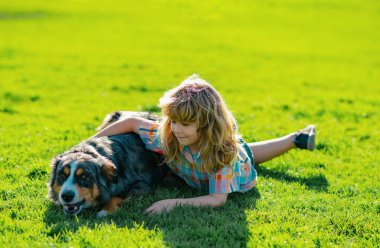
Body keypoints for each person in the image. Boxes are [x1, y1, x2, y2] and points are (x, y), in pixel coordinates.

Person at [93, 75, 316, 214]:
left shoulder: (223, 155)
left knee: (248, 156)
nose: (177, 129)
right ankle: (296, 139)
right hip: (203, 163)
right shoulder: (171, 133)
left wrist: (171, 203)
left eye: (186, 124)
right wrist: (91, 143)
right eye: (174, 120)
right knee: (248, 151)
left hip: (238, 167)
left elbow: (217, 198)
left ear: (207, 124)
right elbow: (131, 122)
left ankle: (294, 140)